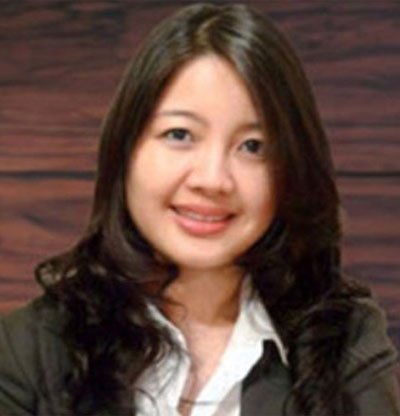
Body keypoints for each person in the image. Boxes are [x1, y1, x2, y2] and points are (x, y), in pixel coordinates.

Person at [0, 3, 399, 415]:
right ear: (126, 150)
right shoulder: (25, 349)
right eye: (180, 134)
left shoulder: (343, 341)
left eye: (253, 146)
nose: (212, 179)